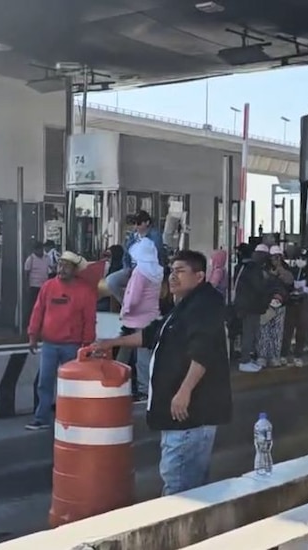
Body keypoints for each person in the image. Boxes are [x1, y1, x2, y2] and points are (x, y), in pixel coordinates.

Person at [95, 250, 231, 495]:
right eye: (171, 271)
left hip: (190, 415)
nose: (173, 277)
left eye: (180, 271)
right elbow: (152, 334)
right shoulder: (184, 306)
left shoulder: (204, 306)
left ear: (199, 276)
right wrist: (112, 343)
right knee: (190, 485)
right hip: (182, 414)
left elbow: (204, 351)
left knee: (179, 485)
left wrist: (184, 391)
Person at [26, 251, 97, 431]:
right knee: (44, 382)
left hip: (73, 345)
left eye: (66, 266)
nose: (62, 269)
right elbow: (38, 311)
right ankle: (41, 418)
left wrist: (87, 344)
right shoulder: (48, 286)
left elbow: (89, 319)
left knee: (72, 384)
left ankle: (73, 417)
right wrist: (32, 335)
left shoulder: (85, 291)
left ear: (75, 269)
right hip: (49, 344)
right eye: (60, 265)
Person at [118, 237, 163, 401]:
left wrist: (125, 309)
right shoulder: (157, 271)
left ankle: (139, 389)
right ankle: (149, 387)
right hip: (152, 315)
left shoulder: (140, 272)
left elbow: (134, 297)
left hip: (136, 318)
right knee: (147, 356)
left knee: (132, 355)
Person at [106, 210, 164, 303]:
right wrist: (127, 268)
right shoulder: (133, 235)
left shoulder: (154, 235)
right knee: (111, 280)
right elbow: (126, 254)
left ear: (147, 223)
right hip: (132, 269)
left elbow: (155, 255)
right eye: (134, 223)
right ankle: (126, 304)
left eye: (139, 223)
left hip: (147, 271)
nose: (136, 226)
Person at [234, 244, 275, 372]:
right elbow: (259, 287)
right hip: (251, 306)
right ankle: (245, 361)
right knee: (249, 333)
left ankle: (247, 359)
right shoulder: (254, 269)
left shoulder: (241, 267)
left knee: (249, 332)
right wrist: (269, 281)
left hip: (244, 304)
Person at [256, 245, 293, 368]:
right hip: (266, 305)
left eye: (278, 257)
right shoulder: (263, 270)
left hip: (280, 305)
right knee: (264, 331)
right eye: (273, 257)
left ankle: (274, 356)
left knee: (277, 332)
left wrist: (281, 270)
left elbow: (290, 283)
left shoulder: (285, 270)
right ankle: (262, 356)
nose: (275, 259)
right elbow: (262, 286)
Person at [282, 247, 308, 365]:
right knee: (288, 329)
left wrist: (304, 289)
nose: (300, 261)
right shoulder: (291, 271)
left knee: (301, 329)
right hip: (290, 302)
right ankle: (284, 354)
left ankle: (298, 355)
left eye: (303, 259)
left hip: (302, 302)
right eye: (298, 258)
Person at [22, 240, 52, 330]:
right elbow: (26, 273)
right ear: (34, 250)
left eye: (41, 249)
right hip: (34, 286)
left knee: (44, 306)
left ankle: (42, 325)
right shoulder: (30, 259)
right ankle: (28, 325)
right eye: (38, 249)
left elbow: (50, 269)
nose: (40, 251)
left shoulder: (47, 258)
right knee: (32, 306)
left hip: (44, 286)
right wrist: (27, 286)